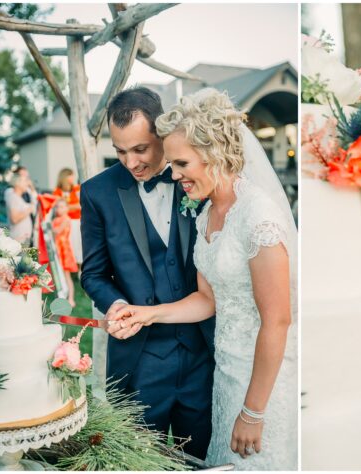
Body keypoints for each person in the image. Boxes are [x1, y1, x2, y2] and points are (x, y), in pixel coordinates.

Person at [107, 89, 298, 470]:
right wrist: (149, 314)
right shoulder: (206, 213)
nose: (174, 174)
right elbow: (207, 300)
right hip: (226, 376)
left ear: (214, 155)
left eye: (181, 163)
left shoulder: (258, 216)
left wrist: (254, 412)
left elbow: (277, 321)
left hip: (263, 383)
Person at [79, 86, 215, 460]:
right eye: (120, 151)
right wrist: (118, 304)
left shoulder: (194, 179)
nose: (130, 162)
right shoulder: (96, 193)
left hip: (201, 354)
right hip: (139, 362)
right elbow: (91, 274)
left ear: (162, 135)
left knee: (202, 457)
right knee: (140, 461)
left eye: (140, 149)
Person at [51, 198, 78, 307]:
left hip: (64, 249)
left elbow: (57, 231)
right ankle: (60, 297)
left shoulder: (66, 219)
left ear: (67, 208)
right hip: (57, 248)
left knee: (67, 276)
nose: (59, 209)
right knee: (57, 274)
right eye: (57, 207)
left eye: (62, 207)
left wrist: (46, 226)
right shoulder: (54, 220)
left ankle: (71, 299)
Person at [4, 172, 35, 244]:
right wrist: (29, 209)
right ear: (17, 183)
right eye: (24, 181)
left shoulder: (19, 198)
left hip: (24, 238)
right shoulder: (13, 197)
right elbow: (14, 219)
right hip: (19, 239)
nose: (27, 183)